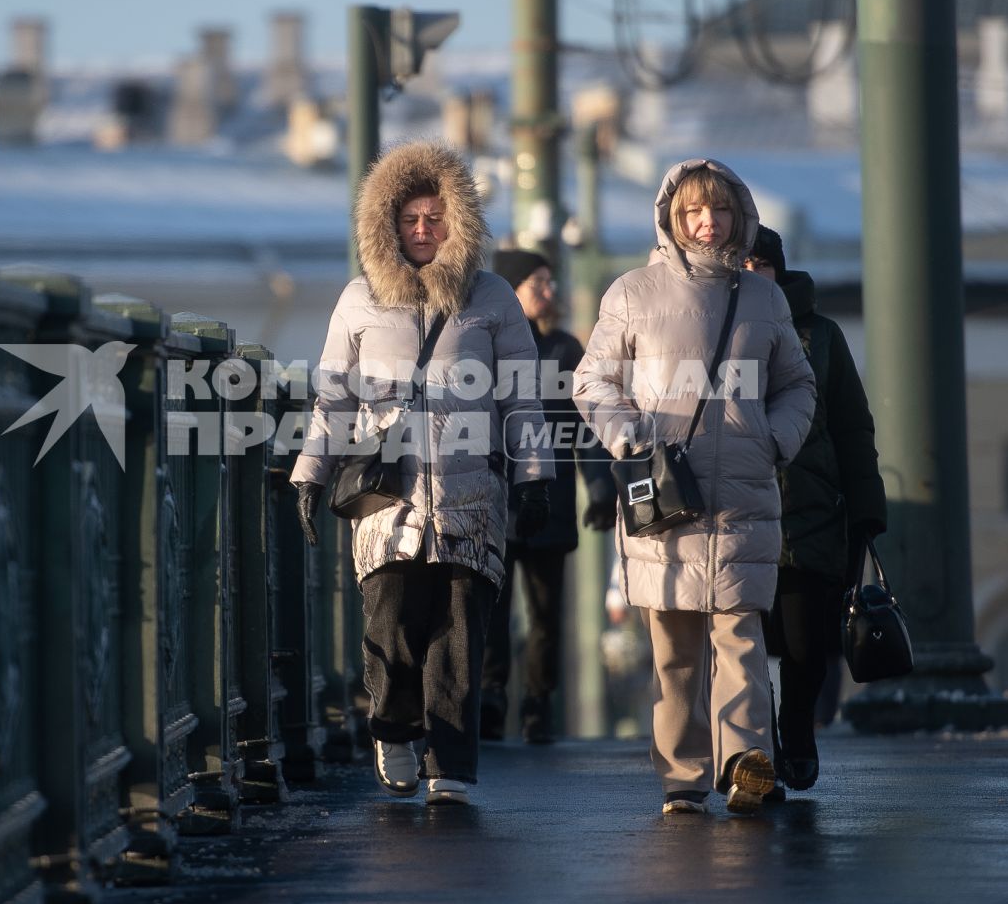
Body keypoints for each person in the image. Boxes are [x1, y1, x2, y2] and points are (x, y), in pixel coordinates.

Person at [293, 140, 552, 808]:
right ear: (387, 224)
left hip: (471, 495)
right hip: (389, 496)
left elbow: (521, 394)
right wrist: (309, 472)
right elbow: (334, 397)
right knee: (392, 623)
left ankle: (452, 766)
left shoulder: (492, 297)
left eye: (435, 219)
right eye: (409, 219)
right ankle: (394, 729)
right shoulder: (358, 300)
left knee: (461, 632)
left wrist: (533, 475)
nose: (422, 231)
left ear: (457, 222)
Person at [573, 158, 815, 816]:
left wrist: (775, 438)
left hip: (743, 497)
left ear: (740, 217)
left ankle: (745, 767)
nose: (708, 223)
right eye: (693, 213)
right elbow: (593, 381)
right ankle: (682, 773)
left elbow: (799, 383)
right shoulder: (633, 294)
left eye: (720, 211)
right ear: (673, 221)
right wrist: (627, 437)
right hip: (665, 499)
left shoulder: (765, 299)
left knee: (741, 639)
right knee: (674, 650)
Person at [743, 226, 885, 790]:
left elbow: (852, 424)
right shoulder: (714, 329)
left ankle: (795, 730)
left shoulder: (822, 337)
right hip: (742, 510)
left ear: (778, 270)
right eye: (742, 263)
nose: (752, 274)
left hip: (812, 510)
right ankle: (761, 747)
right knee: (744, 640)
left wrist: (867, 508)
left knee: (805, 644)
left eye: (761, 264)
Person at [479, 249, 617, 745]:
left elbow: (587, 429)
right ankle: (491, 699)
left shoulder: (565, 350)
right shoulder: (489, 348)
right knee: (492, 612)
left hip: (551, 503)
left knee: (545, 615)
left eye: (549, 282)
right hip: (496, 501)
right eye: (537, 282)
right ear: (511, 290)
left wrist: (600, 489)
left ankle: (538, 705)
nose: (548, 291)